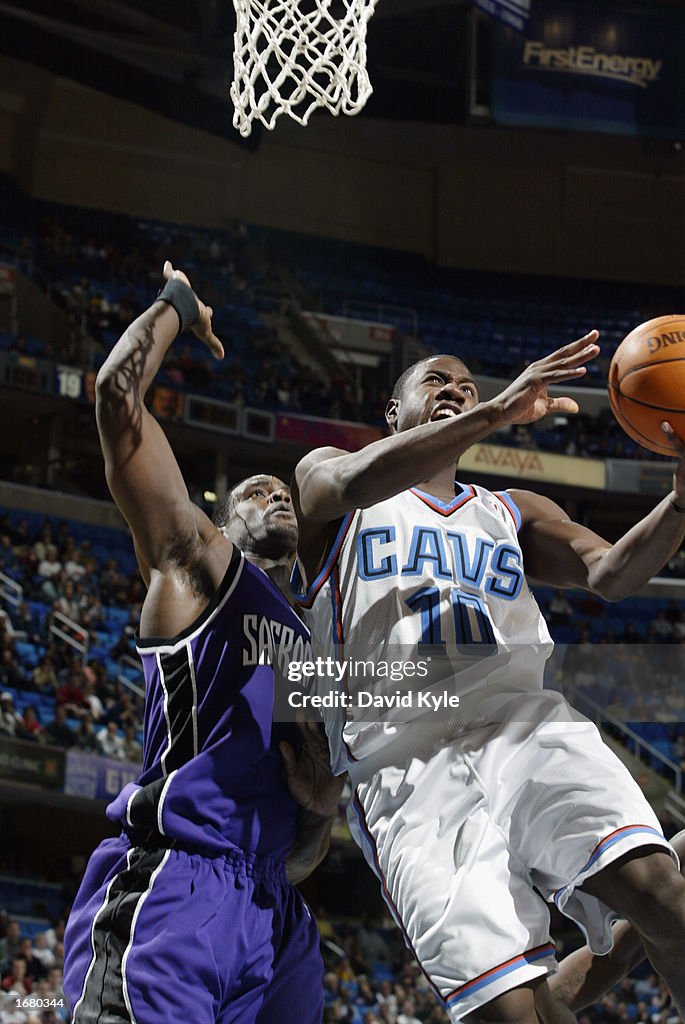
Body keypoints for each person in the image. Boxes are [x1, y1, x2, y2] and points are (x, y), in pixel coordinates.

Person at [292, 343, 685, 1024]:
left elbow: (611, 574)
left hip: (521, 722)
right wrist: (498, 411)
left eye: (468, 387)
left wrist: (678, 504)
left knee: (659, 892)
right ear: (392, 410)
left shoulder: (510, 509)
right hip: (402, 764)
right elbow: (345, 486)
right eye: (435, 381)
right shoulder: (329, 477)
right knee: (510, 1014)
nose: (455, 390)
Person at [63, 263, 342, 1024]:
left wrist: (320, 811)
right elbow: (117, 402)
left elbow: (301, 845)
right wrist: (175, 307)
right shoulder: (196, 564)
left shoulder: (311, 641)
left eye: (284, 489)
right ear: (224, 512)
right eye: (257, 490)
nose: (279, 492)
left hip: (275, 912)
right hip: (177, 883)